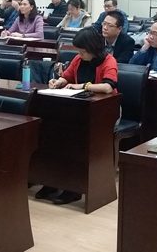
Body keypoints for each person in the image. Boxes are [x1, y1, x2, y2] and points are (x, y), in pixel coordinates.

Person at [45, 27, 118, 205]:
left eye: (83, 51)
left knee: (74, 138)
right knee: (52, 133)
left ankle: (73, 188)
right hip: (80, 108)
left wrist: (83, 86)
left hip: (105, 111)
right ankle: (51, 182)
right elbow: (67, 77)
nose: (80, 54)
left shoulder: (109, 61)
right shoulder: (78, 59)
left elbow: (108, 87)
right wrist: (58, 82)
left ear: (93, 48)